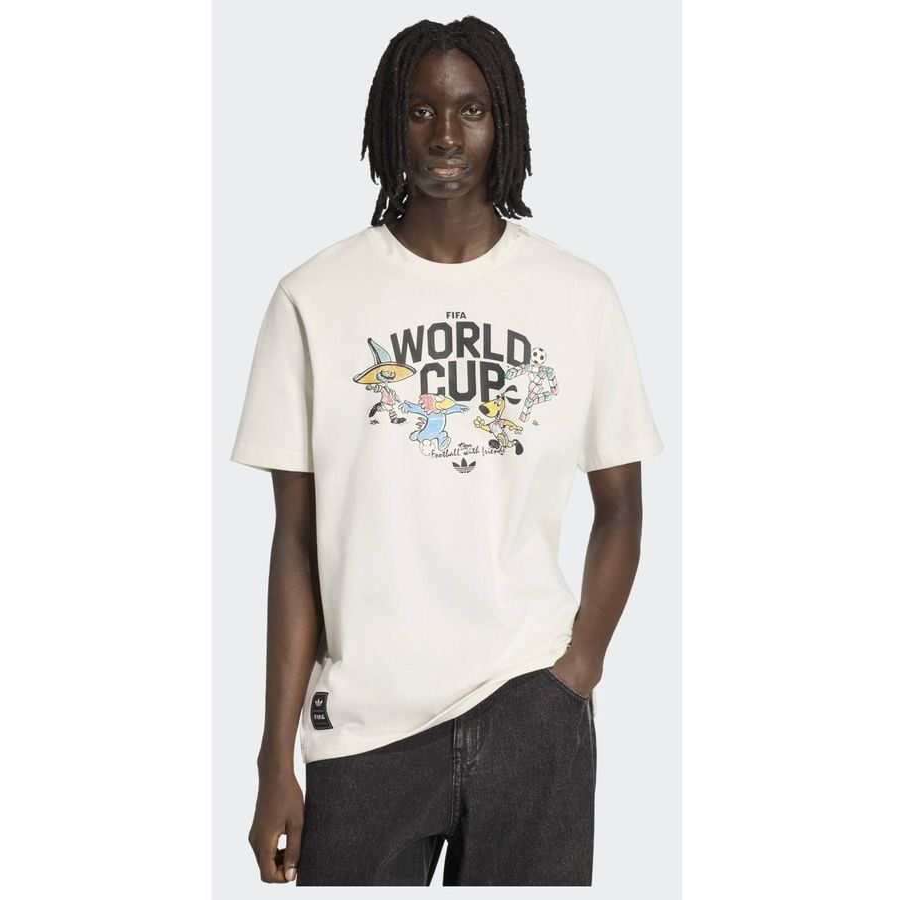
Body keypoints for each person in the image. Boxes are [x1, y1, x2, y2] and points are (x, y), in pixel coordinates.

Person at [231, 15, 664, 887]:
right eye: (420, 110)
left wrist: (578, 668)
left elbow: (620, 507)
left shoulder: (579, 297)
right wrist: (274, 757)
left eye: (471, 109)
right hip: (365, 727)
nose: (445, 135)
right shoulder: (313, 298)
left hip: (531, 706)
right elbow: (295, 543)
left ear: (505, 122)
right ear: (389, 123)